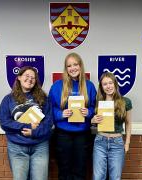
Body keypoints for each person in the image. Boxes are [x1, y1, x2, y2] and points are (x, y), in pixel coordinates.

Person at [0, 66, 53, 180]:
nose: (30, 79)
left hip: (40, 147)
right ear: (19, 77)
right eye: (27, 76)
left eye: (33, 77)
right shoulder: (8, 99)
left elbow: (48, 122)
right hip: (17, 147)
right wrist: (26, 126)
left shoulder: (43, 98)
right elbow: (4, 122)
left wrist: (34, 132)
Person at [49, 52, 97, 180]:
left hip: (83, 134)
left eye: (75, 64)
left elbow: (95, 107)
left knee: (80, 170)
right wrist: (60, 114)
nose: (72, 68)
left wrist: (89, 112)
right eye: (69, 66)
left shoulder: (89, 86)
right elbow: (49, 108)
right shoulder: (57, 86)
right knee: (64, 170)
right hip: (62, 134)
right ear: (66, 69)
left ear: (80, 66)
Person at [91, 72, 132, 180]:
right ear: (101, 87)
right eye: (105, 84)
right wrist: (93, 120)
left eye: (110, 83)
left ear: (115, 84)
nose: (108, 86)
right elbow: (93, 121)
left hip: (117, 143)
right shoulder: (98, 102)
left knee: (115, 177)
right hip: (100, 142)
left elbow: (128, 123)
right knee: (98, 177)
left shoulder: (125, 102)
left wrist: (127, 143)